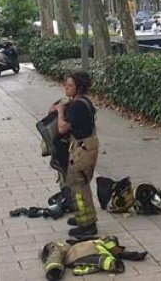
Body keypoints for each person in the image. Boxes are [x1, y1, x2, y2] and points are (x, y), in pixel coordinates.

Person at [52, 71, 99, 238]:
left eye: (70, 85)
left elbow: (62, 128)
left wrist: (59, 112)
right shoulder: (83, 102)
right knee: (82, 184)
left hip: (82, 149)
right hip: (88, 145)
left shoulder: (77, 105)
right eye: (65, 84)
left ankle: (87, 225)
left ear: (78, 88)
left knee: (77, 186)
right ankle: (84, 218)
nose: (66, 87)